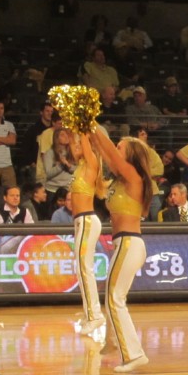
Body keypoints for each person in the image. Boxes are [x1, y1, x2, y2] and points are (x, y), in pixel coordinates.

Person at [90, 127, 154, 373]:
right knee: (114, 296)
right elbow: (106, 154)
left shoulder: (134, 176)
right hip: (123, 244)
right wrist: (90, 132)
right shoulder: (119, 178)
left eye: (120, 147)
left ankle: (134, 354)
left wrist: (92, 122)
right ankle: (113, 342)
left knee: (114, 298)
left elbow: (110, 154)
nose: (115, 149)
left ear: (131, 155)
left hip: (129, 243)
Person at [70, 132, 106, 336]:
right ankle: (89, 313)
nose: (75, 146)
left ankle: (95, 316)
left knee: (85, 269)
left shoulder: (92, 163)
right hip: (81, 222)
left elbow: (83, 138)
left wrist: (81, 125)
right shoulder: (80, 166)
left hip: (87, 221)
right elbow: (73, 144)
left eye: (78, 144)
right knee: (81, 269)